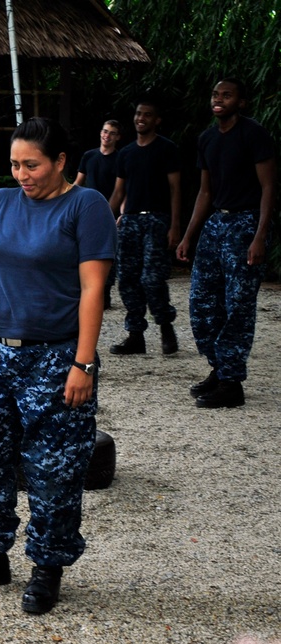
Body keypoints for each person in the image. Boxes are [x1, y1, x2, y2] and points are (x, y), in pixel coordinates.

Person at [0, 117, 116, 615]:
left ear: (60, 162)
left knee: (53, 468)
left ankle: (46, 568)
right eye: (15, 164)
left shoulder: (86, 207)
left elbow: (93, 291)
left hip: (55, 357)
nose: (22, 174)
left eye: (31, 164)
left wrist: (83, 362)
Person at [175, 78, 276, 409]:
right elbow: (205, 192)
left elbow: (268, 188)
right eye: (215, 94)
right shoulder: (206, 139)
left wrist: (260, 235)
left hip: (246, 223)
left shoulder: (254, 134)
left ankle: (232, 385)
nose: (218, 99)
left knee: (238, 306)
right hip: (217, 223)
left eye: (227, 95)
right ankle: (219, 369)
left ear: (241, 103)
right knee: (202, 302)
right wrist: (190, 235)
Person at [107, 99, 181, 355]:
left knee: (152, 278)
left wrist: (174, 225)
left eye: (147, 115)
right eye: (138, 114)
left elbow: (175, 189)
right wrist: (104, 222)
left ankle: (165, 327)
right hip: (130, 221)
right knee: (126, 279)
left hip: (156, 221)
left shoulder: (167, 149)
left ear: (156, 120)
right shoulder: (126, 153)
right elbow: (118, 192)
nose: (141, 118)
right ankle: (135, 335)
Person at [74, 120, 121, 309]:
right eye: (104, 131)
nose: (106, 135)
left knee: (108, 253)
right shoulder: (89, 156)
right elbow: (78, 182)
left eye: (111, 133)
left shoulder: (120, 158)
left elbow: (123, 189)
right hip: (88, 211)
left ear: (117, 137)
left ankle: (105, 292)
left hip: (111, 211)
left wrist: (121, 212)